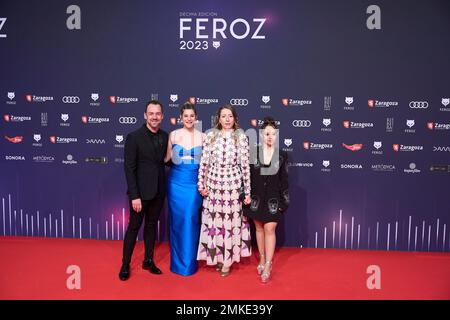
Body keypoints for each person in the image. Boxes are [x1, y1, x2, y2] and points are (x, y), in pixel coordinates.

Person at [197, 105, 252, 277]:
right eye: (224, 116)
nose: (227, 119)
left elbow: (245, 166)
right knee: (215, 222)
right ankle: (217, 258)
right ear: (218, 118)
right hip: (213, 183)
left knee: (230, 223)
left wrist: (248, 191)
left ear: (235, 118)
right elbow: (204, 162)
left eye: (230, 116)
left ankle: (227, 261)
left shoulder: (241, 137)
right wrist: (201, 184)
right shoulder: (210, 135)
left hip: (233, 185)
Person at [119, 100, 168, 281]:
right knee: (133, 228)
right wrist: (135, 196)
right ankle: (125, 264)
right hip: (140, 194)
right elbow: (129, 168)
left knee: (151, 227)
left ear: (162, 116)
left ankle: (148, 260)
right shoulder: (134, 137)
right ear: (145, 115)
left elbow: (166, 160)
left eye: (157, 114)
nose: (154, 117)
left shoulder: (165, 136)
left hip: (158, 192)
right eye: (151, 113)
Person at [243, 117, 289, 283]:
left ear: (276, 135)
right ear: (261, 135)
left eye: (273, 134)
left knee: (270, 229)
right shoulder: (253, 153)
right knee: (259, 229)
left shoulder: (282, 155)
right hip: (256, 198)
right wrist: (245, 195)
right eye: (266, 134)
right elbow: (247, 177)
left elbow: (284, 181)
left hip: (273, 200)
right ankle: (262, 258)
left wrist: (284, 203)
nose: (270, 137)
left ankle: (268, 264)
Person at [165, 102, 203, 276]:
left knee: (191, 219)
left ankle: (189, 264)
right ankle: (177, 263)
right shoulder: (173, 135)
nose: (189, 118)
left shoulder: (203, 137)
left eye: (191, 115)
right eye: (185, 116)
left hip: (194, 183)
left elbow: (207, 164)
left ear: (196, 117)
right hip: (175, 183)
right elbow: (166, 158)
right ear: (180, 117)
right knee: (177, 221)